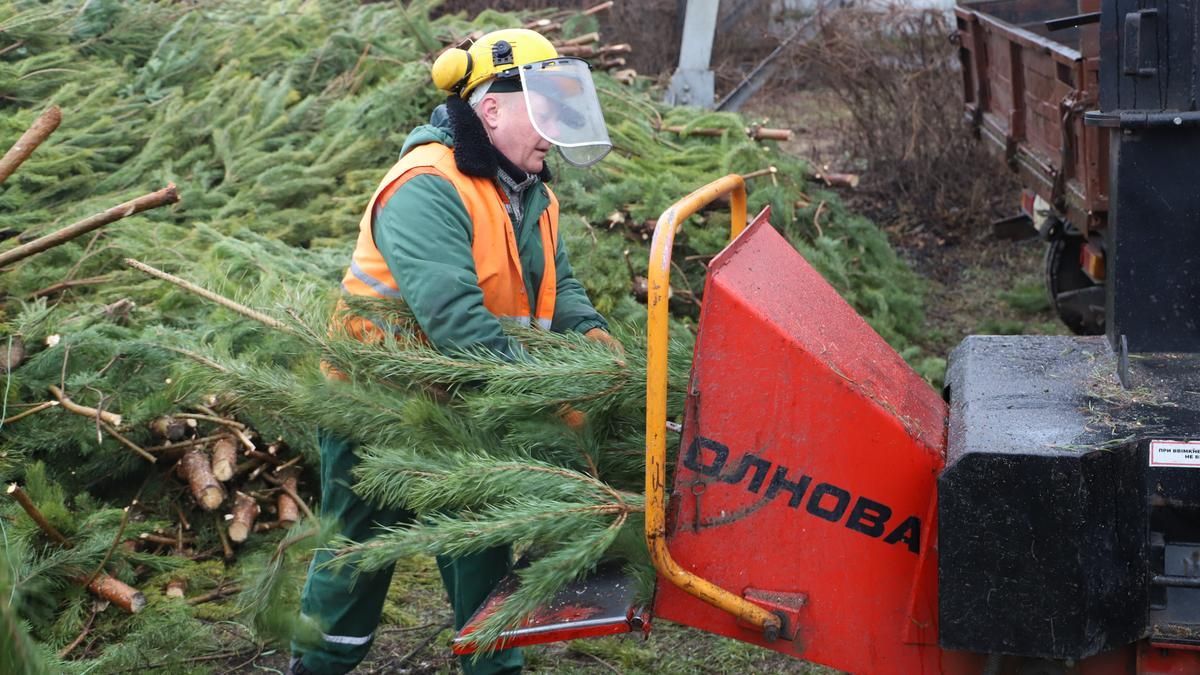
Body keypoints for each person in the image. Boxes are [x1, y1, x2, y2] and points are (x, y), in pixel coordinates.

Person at [288, 28, 618, 675]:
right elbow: (459, 325)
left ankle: (493, 663)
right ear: (490, 109)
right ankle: (317, 664)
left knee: (483, 552)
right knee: (355, 554)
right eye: (540, 107)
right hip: (376, 409)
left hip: (469, 405)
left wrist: (594, 347)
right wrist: (558, 400)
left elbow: (563, 287)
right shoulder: (426, 187)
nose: (551, 128)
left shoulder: (533, 195)